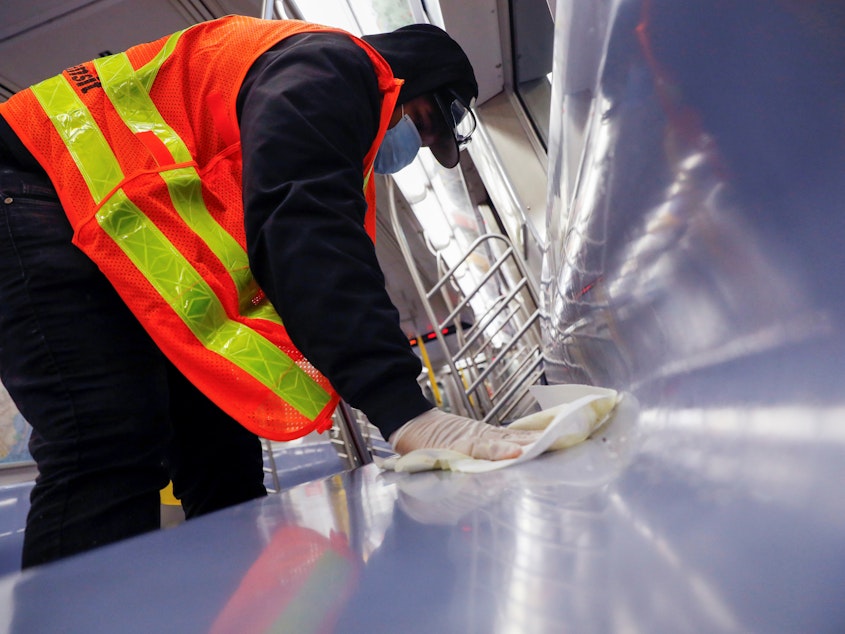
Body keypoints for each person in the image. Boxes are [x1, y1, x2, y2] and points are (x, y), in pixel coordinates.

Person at [0, 15, 540, 568]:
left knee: (217, 439)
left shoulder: (312, 95)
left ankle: (231, 598)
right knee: (107, 433)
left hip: (99, 217)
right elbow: (306, 234)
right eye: (424, 122)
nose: (420, 143)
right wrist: (405, 412)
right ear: (409, 80)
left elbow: (278, 243)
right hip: (28, 186)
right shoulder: (329, 68)